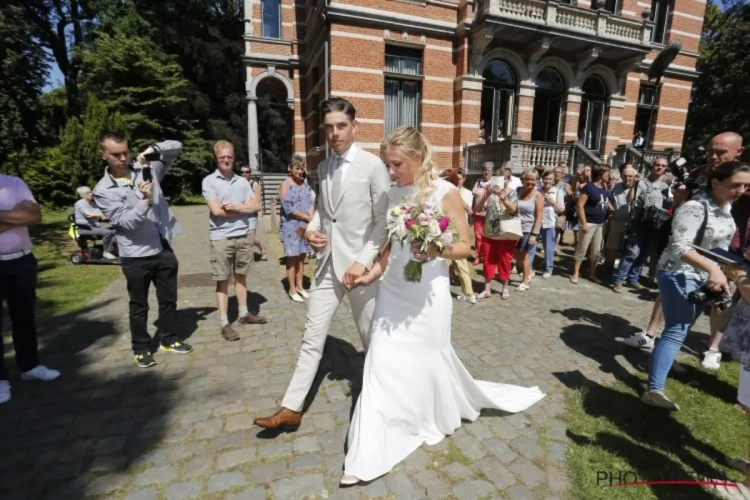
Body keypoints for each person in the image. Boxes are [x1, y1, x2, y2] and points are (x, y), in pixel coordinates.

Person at [338, 126, 544, 485]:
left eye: (396, 164)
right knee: (381, 360)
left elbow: (466, 247)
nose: (390, 171)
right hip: (394, 292)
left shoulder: (446, 193)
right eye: (388, 164)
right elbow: (390, 245)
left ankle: (421, 415)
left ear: (418, 158)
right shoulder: (393, 193)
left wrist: (436, 249)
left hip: (428, 296)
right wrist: (371, 274)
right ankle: (368, 449)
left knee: (425, 360)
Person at [253, 97, 391, 430]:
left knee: (372, 339)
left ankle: (385, 402)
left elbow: (382, 222)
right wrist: (312, 231)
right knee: (312, 336)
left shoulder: (374, 167)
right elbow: (324, 214)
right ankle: (291, 407)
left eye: (341, 126)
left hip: (361, 272)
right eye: (328, 127)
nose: (334, 133)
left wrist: (362, 263)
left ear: (354, 127)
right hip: (328, 267)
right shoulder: (324, 167)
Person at [641, 161, 750, 410]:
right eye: (735, 185)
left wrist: (727, 267)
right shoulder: (694, 207)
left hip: (703, 277)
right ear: (715, 182)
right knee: (677, 328)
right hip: (678, 273)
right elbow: (680, 247)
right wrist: (713, 269)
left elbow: (713, 247)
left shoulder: (725, 206)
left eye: (745, 186)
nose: (741, 190)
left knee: (682, 327)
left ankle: (663, 364)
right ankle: (654, 391)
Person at [94, 132, 193, 368]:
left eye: (125, 152)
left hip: (161, 247)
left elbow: (177, 146)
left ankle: (169, 339)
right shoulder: (102, 190)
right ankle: (141, 348)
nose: (122, 158)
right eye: (115, 154)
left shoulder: (145, 168)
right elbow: (125, 222)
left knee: (168, 300)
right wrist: (145, 200)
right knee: (139, 305)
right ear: (104, 155)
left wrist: (153, 148)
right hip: (134, 255)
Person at [0, 174, 60, 405]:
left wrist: (18, 217)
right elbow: (24, 216)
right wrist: (16, 215)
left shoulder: (13, 182)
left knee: (24, 317)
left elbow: (34, 216)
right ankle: (0, 379)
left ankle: (30, 365)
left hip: (21, 260)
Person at [202, 141, 267, 342]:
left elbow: (255, 206)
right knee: (222, 279)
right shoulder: (209, 181)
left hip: (242, 235)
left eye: (229, 156)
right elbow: (216, 211)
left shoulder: (242, 182)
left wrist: (236, 208)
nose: (226, 160)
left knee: (241, 276)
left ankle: (243, 314)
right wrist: (242, 209)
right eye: (222, 157)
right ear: (216, 159)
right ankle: (224, 322)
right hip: (221, 237)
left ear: (233, 157)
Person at [279, 155, 314, 302]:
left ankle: (300, 287)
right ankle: (292, 289)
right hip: (291, 226)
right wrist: (306, 217)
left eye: (301, 168)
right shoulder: (285, 185)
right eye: (296, 168)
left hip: (304, 226)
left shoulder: (305, 184)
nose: (300, 171)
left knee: (302, 257)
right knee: (292, 258)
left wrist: (310, 219)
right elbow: (288, 208)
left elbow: (311, 201)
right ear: (290, 169)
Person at [571, 165, 612, 284]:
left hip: (600, 224)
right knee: (582, 248)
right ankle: (576, 273)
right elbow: (580, 206)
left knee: (596, 250)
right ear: (600, 174)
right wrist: (584, 223)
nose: (608, 175)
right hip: (588, 222)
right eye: (607, 173)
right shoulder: (588, 188)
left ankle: (592, 273)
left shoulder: (604, 187)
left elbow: (603, 201)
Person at [514, 169, 544, 290]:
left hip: (528, 228)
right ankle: (529, 271)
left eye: (533, 179)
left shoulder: (538, 196)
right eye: (527, 179)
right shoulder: (519, 191)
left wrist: (534, 234)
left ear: (536, 181)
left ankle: (525, 282)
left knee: (524, 255)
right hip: (516, 227)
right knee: (515, 253)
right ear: (524, 180)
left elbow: (539, 216)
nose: (530, 182)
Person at [451, 168, 477, 304]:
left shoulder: (467, 193)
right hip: (447, 229)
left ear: (464, 179)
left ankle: (469, 293)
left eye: (459, 179)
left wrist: (455, 194)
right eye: (454, 178)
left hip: (459, 229)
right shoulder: (448, 190)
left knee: (461, 262)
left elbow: (466, 208)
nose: (456, 181)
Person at [533, 169, 565, 278]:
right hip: (536, 222)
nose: (547, 181)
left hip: (549, 222)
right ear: (542, 179)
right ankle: (529, 268)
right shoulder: (537, 191)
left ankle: (549, 268)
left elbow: (561, 209)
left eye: (550, 179)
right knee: (532, 245)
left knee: (549, 247)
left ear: (554, 180)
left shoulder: (557, 192)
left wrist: (553, 202)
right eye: (545, 179)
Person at [607, 167, 637, 282]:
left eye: (630, 176)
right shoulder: (616, 186)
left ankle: (622, 272)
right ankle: (608, 269)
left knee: (627, 248)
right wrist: (610, 207)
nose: (627, 178)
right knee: (612, 246)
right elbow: (608, 198)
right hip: (616, 219)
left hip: (631, 221)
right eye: (625, 176)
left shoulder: (639, 187)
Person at [73, 186, 117, 259]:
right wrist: (102, 215)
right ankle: (106, 252)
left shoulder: (93, 203)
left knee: (116, 230)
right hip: (85, 228)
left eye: (91, 191)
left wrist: (113, 217)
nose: (91, 194)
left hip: (96, 226)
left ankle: (114, 250)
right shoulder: (80, 204)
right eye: (88, 193)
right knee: (107, 232)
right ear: (82, 195)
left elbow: (100, 215)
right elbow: (88, 214)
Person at [239, 166, 267, 261]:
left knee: (252, 238)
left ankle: (262, 249)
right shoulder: (238, 184)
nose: (244, 174)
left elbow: (258, 200)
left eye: (246, 172)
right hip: (242, 214)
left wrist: (249, 203)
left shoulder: (254, 184)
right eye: (242, 172)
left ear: (250, 173)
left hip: (251, 214)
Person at [470, 162, 494, 266]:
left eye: (488, 170)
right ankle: (478, 256)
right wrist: (472, 208)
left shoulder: (494, 183)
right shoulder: (478, 182)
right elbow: (474, 197)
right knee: (478, 236)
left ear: (492, 171)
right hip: (478, 213)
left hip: (489, 214)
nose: (486, 172)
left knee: (488, 236)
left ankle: (487, 256)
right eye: (485, 169)